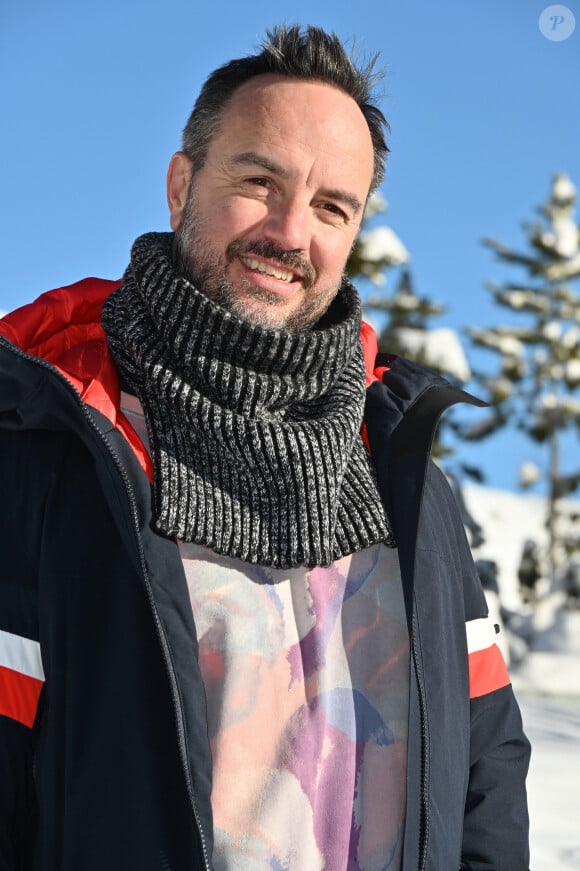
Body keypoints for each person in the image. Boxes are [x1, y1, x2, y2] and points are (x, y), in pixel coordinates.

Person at [0, 24, 530, 871]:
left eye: (331, 207)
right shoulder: (49, 454)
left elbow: (486, 766)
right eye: (259, 181)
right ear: (181, 185)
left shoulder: (408, 486)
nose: (290, 232)